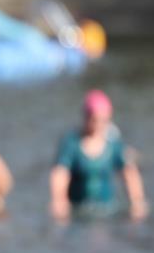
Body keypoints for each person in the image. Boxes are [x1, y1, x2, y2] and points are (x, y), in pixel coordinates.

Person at [49, 90, 148, 221]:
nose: (99, 125)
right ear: (86, 117)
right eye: (95, 120)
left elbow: (129, 173)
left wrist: (137, 201)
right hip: (78, 209)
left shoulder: (113, 142)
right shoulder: (71, 143)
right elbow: (60, 173)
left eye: (104, 120)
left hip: (107, 209)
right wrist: (58, 201)